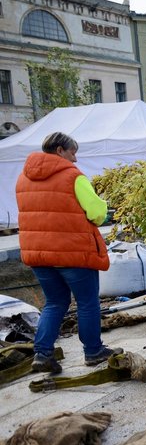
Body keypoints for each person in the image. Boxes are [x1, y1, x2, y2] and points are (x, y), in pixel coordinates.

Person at [15, 132, 122, 373]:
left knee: (54, 302)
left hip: (38, 254)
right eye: (73, 152)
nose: (75, 158)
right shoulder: (73, 177)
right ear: (60, 150)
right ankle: (93, 351)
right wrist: (102, 209)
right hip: (72, 253)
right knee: (87, 303)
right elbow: (96, 213)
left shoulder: (23, 178)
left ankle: (42, 355)